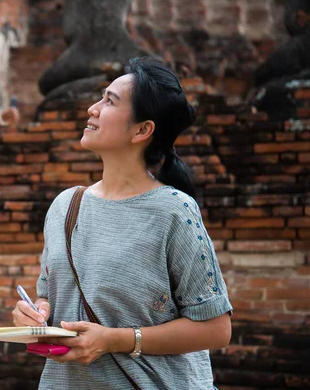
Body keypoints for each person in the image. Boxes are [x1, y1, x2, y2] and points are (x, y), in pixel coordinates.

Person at [12, 57, 233, 389]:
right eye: (101, 97)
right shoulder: (65, 206)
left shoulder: (174, 211)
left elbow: (216, 329)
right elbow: (48, 298)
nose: (93, 108)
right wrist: (34, 315)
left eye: (110, 102)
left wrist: (113, 339)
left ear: (142, 130)